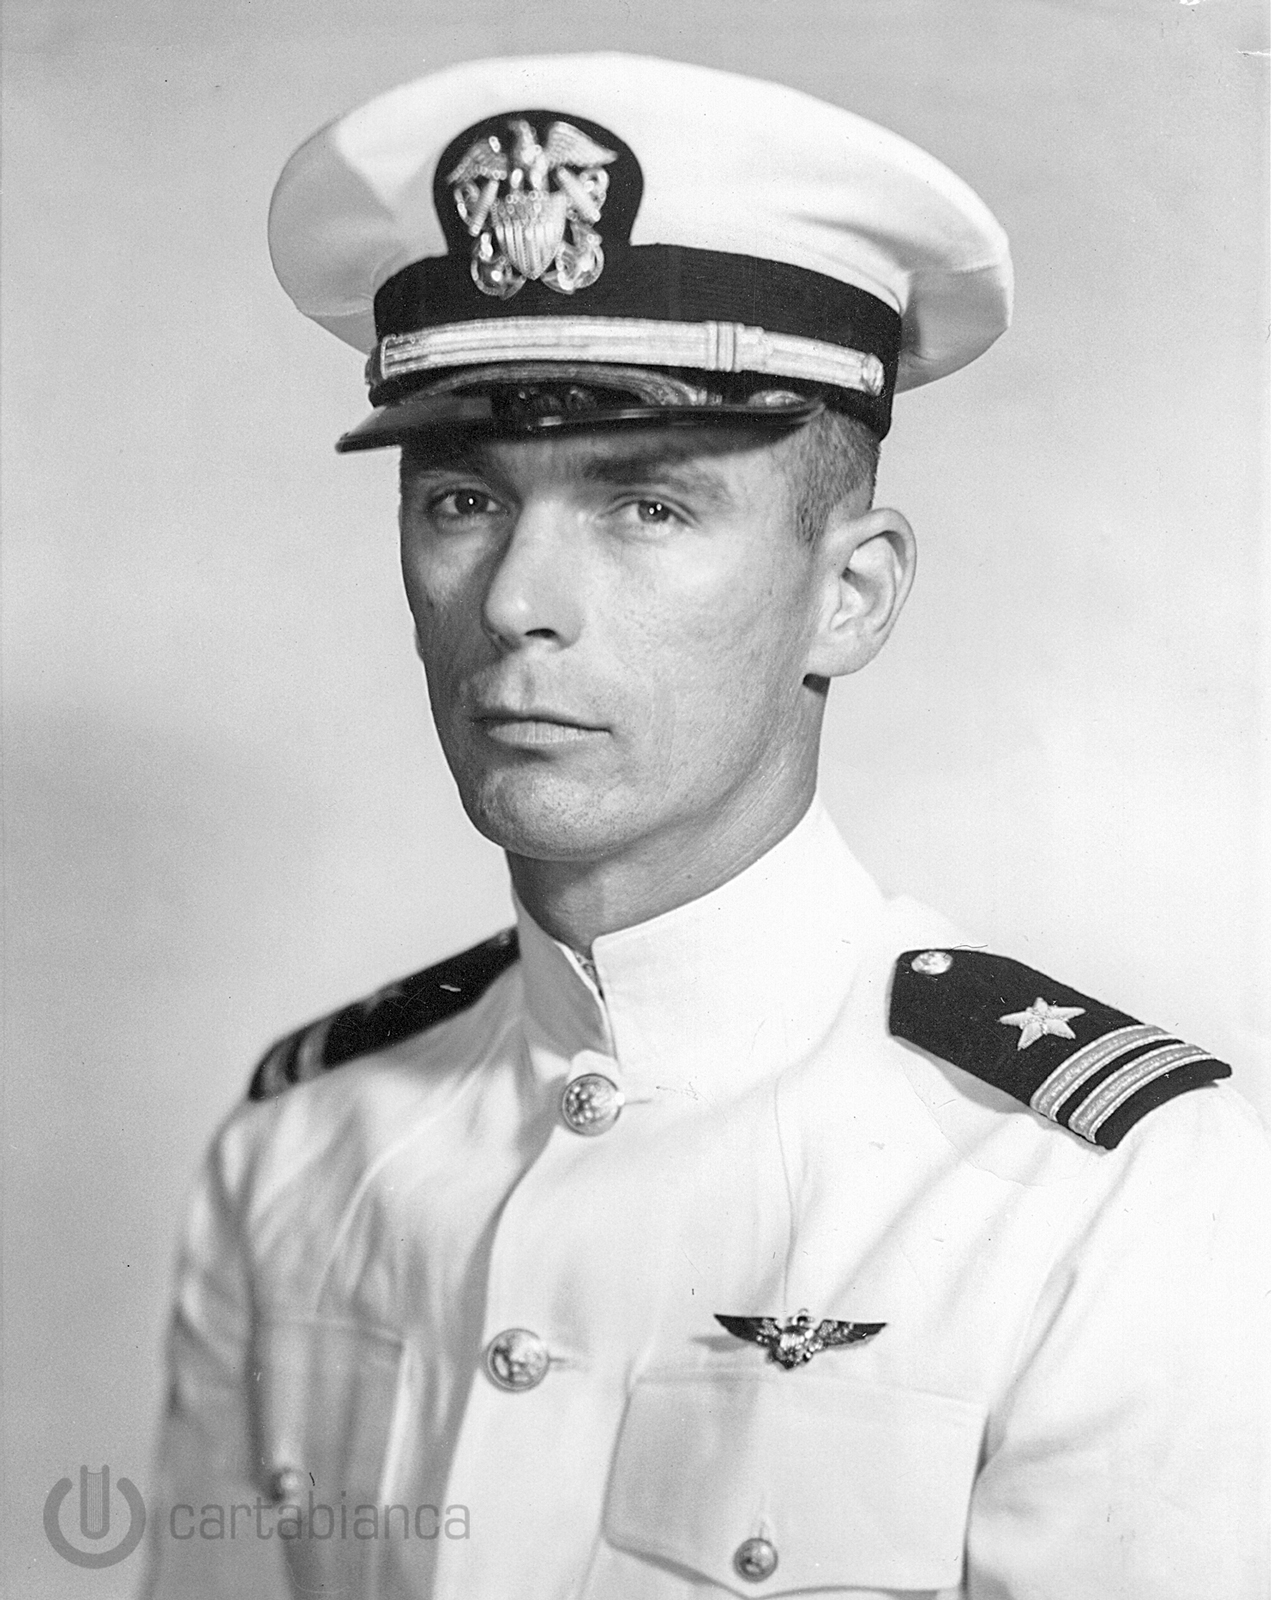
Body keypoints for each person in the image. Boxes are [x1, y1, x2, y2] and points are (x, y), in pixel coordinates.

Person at [142, 52, 1270, 1600]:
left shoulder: (1104, 1195)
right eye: (463, 501)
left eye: (647, 506)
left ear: (848, 595)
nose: (518, 603)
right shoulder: (300, 1147)